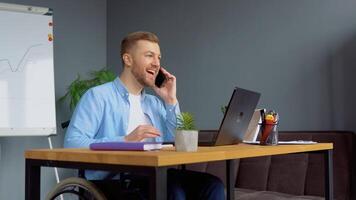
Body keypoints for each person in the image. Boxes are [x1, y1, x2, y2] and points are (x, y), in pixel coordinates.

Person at [64, 31, 225, 200]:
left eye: (159, 58)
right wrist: (125, 141)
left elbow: (178, 144)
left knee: (212, 185)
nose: (156, 63)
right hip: (114, 181)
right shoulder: (98, 96)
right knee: (172, 191)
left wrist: (171, 101)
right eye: (149, 56)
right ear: (128, 59)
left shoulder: (154, 103)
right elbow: (72, 143)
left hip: (154, 175)